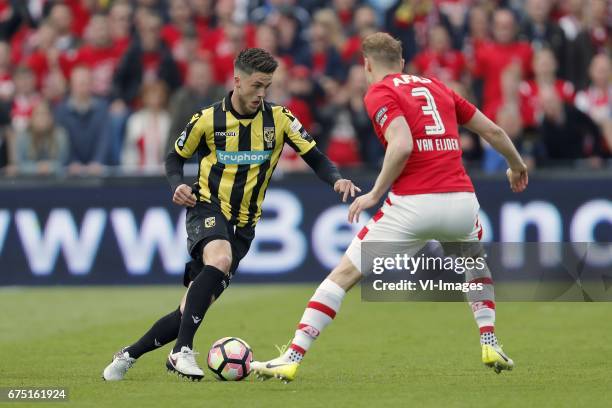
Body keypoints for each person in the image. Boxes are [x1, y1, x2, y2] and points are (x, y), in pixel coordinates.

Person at [251, 32, 529, 382]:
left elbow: (401, 145)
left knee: (343, 276)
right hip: (461, 200)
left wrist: (374, 194)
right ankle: (490, 340)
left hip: (414, 203)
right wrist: (517, 166)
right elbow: (493, 132)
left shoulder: (380, 91)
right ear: (401, 62)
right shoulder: (436, 87)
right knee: (475, 268)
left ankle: (291, 356)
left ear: (367, 65)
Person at [102, 48, 360, 381]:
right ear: (237, 81)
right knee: (218, 260)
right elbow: (173, 159)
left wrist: (337, 179)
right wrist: (177, 185)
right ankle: (182, 352)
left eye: (267, 86)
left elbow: (316, 157)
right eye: (256, 85)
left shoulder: (279, 119)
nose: (261, 94)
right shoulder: (208, 119)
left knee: (190, 309)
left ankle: (127, 356)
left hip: (244, 226)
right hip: (206, 206)